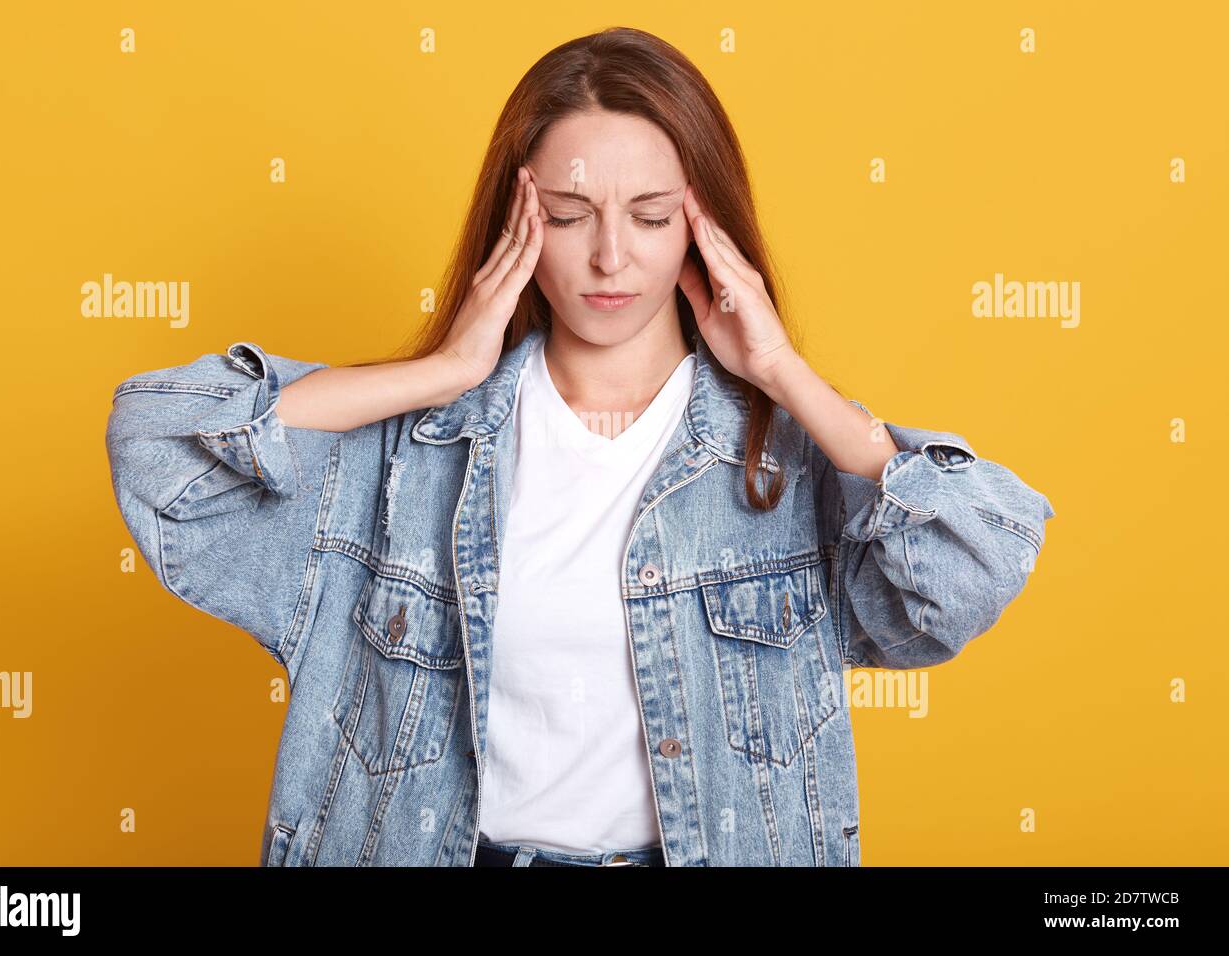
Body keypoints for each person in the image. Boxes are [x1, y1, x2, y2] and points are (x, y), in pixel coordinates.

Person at [105, 26, 1054, 867]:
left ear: (705, 224)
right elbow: (156, 442)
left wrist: (785, 373)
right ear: (515, 223)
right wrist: (439, 373)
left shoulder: (790, 464)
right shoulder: (399, 460)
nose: (610, 258)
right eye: (566, 216)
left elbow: (977, 562)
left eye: (650, 217)